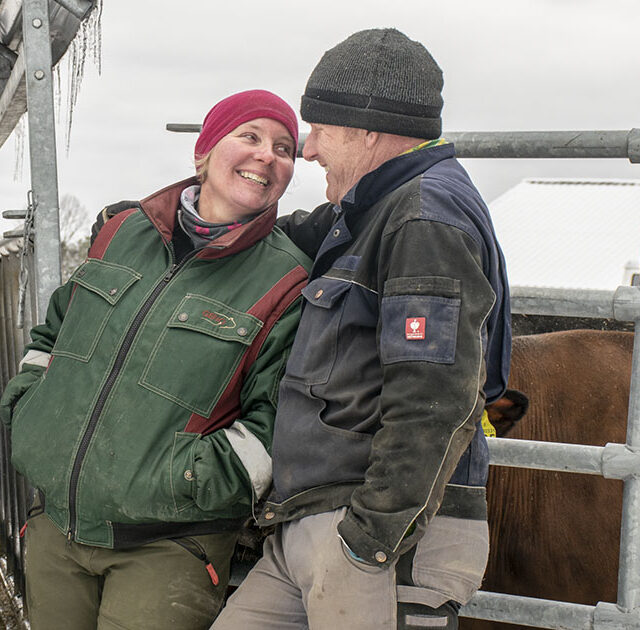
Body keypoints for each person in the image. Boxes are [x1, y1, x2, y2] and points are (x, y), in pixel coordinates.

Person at [211, 28, 511, 630]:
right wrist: (169, 214)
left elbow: (437, 398)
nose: (310, 148)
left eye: (320, 128)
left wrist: (368, 542)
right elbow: (279, 234)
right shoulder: (371, 208)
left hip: (379, 541)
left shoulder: (425, 218)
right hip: (313, 524)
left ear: (368, 130)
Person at [0, 90, 312, 630]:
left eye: (284, 148)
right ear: (204, 151)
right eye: (250, 136)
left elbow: (275, 423)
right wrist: (32, 410)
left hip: (168, 547)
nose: (268, 155)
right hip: (56, 525)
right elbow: (53, 333)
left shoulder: (286, 280)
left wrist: (183, 480)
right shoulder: (122, 232)